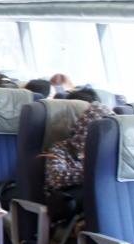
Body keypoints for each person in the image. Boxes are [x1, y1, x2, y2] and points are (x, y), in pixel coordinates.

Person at [41, 90, 114, 222]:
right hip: (67, 207)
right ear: (85, 130)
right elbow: (56, 178)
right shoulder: (60, 149)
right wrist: (93, 172)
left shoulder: (105, 154)